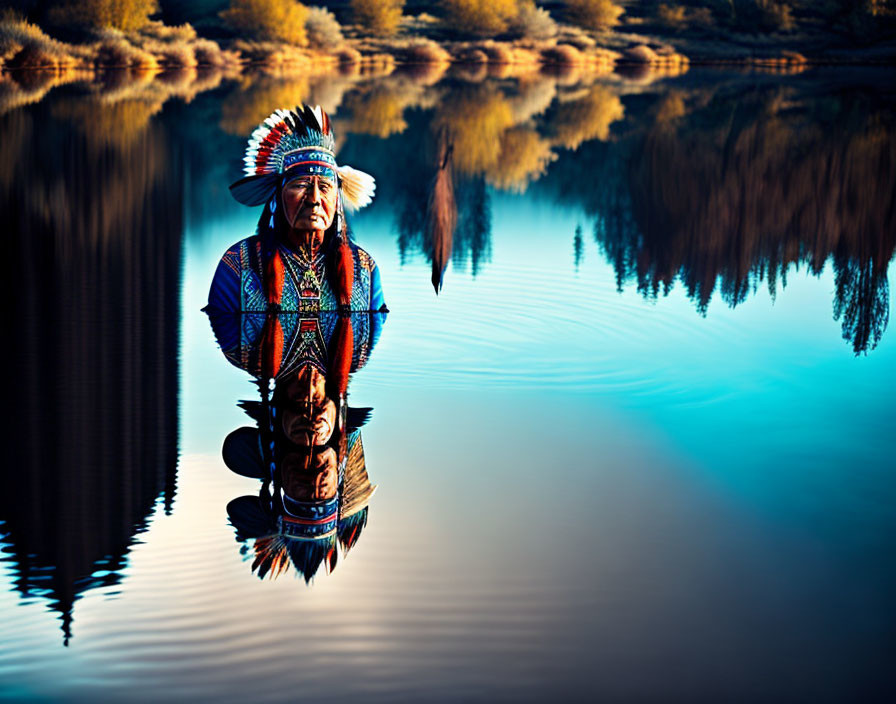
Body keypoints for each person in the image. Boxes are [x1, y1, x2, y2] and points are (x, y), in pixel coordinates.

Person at [206, 104, 386, 325]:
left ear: (337, 200)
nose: (314, 198)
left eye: (326, 187)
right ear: (277, 197)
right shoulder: (238, 266)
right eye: (301, 185)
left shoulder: (364, 271)